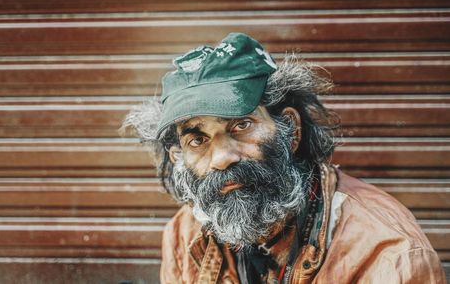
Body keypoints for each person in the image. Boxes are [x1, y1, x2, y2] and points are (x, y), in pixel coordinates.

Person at [124, 33, 446, 284]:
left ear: (289, 129)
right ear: (178, 158)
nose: (221, 158)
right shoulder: (184, 236)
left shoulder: (386, 256)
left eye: (242, 124)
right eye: (197, 139)